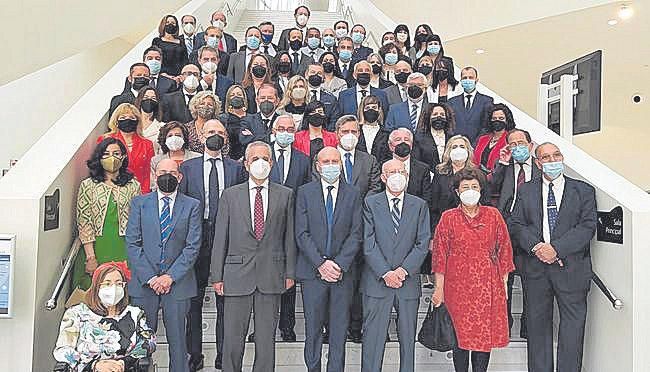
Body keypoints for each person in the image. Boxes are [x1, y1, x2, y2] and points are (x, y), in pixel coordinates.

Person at [510, 142, 597, 372]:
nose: (552, 160)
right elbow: (517, 224)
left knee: (572, 332)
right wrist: (538, 247)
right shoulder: (527, 190)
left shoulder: (583, 191)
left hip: (572, 270)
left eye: (556, 155)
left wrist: (556, 249)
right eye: (546, 157)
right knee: (538, 330)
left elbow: (587, 227)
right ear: (538, 163)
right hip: (536, 271)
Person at [210, 141, 296, 372]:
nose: (260, 163)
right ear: (246, 164)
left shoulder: (286, 195)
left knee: (266, 340)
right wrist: (216, 276)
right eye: (255, 159)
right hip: (236, 275)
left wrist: (290, 273)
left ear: (272, 163)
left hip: (271, 274)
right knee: (233, 340)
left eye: (265, 159)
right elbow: (221, 238)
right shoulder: (230, 195)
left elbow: (289, 237)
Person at [179, 119, 247, 371]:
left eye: (220, 132)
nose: (215, 136)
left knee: (225, 300)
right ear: (201, 135)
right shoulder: (188, 167)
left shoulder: (236, 169)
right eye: (210, 132)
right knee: (193, 300)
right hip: (197, 237)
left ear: (226, 138)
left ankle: (223, 356)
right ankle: (194, 355)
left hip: (227, 238)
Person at [431, 168, 515, 372]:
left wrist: (503, 285)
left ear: (481, 190)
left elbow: (505, 250)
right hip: (456, 286)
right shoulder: (448, 217)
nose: (470, 190)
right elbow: (439, 255)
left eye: (474, 186)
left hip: (487, 285)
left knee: (482, 337)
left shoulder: (493, 215)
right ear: (457, 192)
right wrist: (438, 289)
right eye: (465, 187)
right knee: (459, 336)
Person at [126, 158, 202, 372]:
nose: (166, 176)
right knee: (141, 343)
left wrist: (170, 277)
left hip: (178, 284)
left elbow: (192, 246)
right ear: (154, 175)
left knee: (178, 341)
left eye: (171, 172)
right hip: (144, 284)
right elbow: (133, 242)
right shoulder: (140, 203)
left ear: (179, 177)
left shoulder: (192, 205)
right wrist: (151, 278)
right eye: (161, 172)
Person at [296, 146, 363, 372]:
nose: (331, 166)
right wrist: (321, 264)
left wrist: (339, 264)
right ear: (317, 166)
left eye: (335, 161)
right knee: (313, 328)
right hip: (313, 272)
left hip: (342, 274)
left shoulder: (353, 193)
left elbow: (356, 233)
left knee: (338, 330)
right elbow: (301, 233)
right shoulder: (305, 192)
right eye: (326, 162)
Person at [361, 159, 431, 372]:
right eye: (391, 172)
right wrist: (385, 272)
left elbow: (422, 242)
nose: (397, 175)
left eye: (401, 171)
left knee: (408, 341)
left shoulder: (419, 205)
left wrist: (402, 271)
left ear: (408, 176)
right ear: (383, 177)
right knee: (373, 340)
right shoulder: (371, 203)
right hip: (377, 282)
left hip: (407, 283)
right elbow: (368, 242)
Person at [53, 262, 155, 372]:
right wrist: (95, 365)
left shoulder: (135, 314)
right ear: (97, 286)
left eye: (119, 283)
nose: (114, 288)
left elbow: (149, 343)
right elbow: (63, 350)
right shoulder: (76, 313)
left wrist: (124, 362)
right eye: (107, 283)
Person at [333, 115, 382, 343]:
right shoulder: (327, 158)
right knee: (335, 283)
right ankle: (332, 329)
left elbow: (374, 188)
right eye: (345, 131)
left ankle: (356, 328)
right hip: (334, 230)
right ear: (337, 134)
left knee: (357, 284)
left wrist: (356, 206)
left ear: (359, 135)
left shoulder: (369, 160)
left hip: (362, 228)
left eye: (354, 131)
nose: (350, 135)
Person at [72, 138, 141, 290]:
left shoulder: (133, 185)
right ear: (99, 157)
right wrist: (90, 256)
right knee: (96, 288)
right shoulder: (88, 185)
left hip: (124, 246)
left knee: (121, 287)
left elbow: (138, 219)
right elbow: (84, 221)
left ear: (123, 157)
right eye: (107, 154)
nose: (112, 157)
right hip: (96, 247)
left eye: (116, 153)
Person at [268, 115, 312, 343]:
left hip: (292, 225)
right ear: (273, 131)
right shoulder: (262, 155)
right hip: (265, 224)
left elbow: (306, 194)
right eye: (281, 128)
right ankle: (266, 325)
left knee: (288, 276)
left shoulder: (304, 160)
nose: (285, 132)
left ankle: (287, 325)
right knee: (266, 277)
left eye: (289, 129)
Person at [491, 128, 539, 338]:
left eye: (521, 143)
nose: (517, 147)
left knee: (531, 278)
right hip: (507, 226)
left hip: (532, 228)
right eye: (512, 144)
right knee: (505, 278)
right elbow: (491, 186)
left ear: (530, 145)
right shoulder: (506, 166)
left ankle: (528, 326)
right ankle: (505, 323)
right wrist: (502, 162)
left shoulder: (540, 166)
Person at [98, 103, 155, 193]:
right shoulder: (105, 139)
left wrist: (143, 194)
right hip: (111, 189)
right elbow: (98, 167)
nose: (128, 120)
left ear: (137, 122)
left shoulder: (147, 144)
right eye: (123, 118)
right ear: (116, 121)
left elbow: (148, 173)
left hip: (138, 190)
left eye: (132, 118)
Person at [430, 135, 480, 230]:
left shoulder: (477, 173)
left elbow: (484, 203)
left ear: (468, 151)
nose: (458, 150)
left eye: (462, 147)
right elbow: (434, 205)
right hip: (446, 225)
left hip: (471, 226)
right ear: (449, 151)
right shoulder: (440, 173)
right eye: (454, 147)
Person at [388, 128, 432, 211]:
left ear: (411, 145)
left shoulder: (423, 169)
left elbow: (426, 198)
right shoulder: (381, 166)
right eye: (398, 139)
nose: (403, 142)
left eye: (406, 140)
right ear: (390, 146)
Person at [447, 66, 494, 144]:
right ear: (461, 81)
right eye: (465, 78)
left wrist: (475, 145)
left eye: (471, 77)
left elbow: (486, 127)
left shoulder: (487, 101)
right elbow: (450, 126)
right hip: (456, 145)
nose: (467, 80)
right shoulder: (451, 102)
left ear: (476, 80)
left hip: (478, 146)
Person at [150, 121, 201, 189]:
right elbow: (154, 186)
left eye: (178, 135)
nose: (174, 138)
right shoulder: (156, 160)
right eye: (170, 136)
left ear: (184, 138)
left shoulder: (197, 158)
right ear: (164, 139)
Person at [474, 103, 517, 174]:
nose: (497, 121)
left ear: (507, 120)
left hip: (498, 179)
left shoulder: (510, 139)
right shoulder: (483, 139)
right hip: (478, 178)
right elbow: (474, 160)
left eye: (501, 118)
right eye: (494, 118)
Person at [413, 102, 455, 172]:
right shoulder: (419, 138)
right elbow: (417, 162)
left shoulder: (452, 138)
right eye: (435, 114)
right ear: (428, 117)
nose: (439, 117)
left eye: (442, 115)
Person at [240, 83, 280, 148]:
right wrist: (271, 137)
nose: (266, 100)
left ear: (277, 101)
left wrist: (253, 137)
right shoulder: (247, 120)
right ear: (257, 100)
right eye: (262, 98)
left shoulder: (281, 121)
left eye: (270, 98)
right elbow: (244, 139)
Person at [304, 63, 341, 131]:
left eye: (319, 73)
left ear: (323, 77)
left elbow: (334, 121)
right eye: (312, 72)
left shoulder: (331, 99)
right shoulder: (299, 95)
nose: (316, 75)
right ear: (306, 75)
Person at [356, 95, 391, 164]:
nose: (371, 110)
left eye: (374, 107)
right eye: (367, 108)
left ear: (379, 110)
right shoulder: (356, 130)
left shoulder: (387, 133)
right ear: (362, 110)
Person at [219, 84, 250, 160]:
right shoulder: (222, 119)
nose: (236, 97)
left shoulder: (252, 118)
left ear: (244, 98)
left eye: (239, 94)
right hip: (230, 158)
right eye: (232, 95)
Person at [134, 87, 165, 153]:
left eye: (153, 98)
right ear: (140, 99)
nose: (149, 100)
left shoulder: (162, 127)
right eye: (146, 97)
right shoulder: (131, 123)